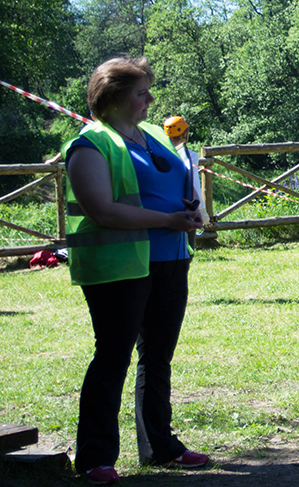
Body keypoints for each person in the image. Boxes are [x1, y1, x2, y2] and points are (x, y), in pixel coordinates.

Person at [63, 57, 209, 485]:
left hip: (170, 259)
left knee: (158, 357)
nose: (150, 99)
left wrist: (189, 210)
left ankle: (161, 447)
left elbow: (173, 183)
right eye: (141, 93)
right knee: (113, 357)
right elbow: (102, 211)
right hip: (118, 266)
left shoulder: (153, 136)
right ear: (113, 97)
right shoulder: (90, 145)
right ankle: (95, 458)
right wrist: (167, 220)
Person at [163, 116, 210, 245]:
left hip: (165, 207)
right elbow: (193, 184)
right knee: (188, 248)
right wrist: (202, 211)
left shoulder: (160, 153)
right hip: (186, 207)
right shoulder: (190, 156)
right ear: (185, 134)